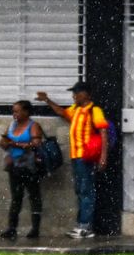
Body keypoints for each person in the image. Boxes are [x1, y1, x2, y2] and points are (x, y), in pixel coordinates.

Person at [36, 81, 109, 239]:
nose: (74, 95)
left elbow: (104, 132)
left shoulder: (94, 111)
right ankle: (81, 225)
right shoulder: (75, 110)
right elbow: (62, 113)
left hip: (86, 156)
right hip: (76, 157)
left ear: (87, 94)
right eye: (74, 92)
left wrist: (103, 157)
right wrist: (47, 100)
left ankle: (85, 227)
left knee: (86, 190)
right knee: (80, 190)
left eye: (77, 92)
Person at [0, 100, 49, 241]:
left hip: (30, 167)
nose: (15, 114)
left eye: (17, 111)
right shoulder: (12, 125)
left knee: (34, 196)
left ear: (26, 112)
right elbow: (3, 142)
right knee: (16, 198)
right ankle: (12, 228)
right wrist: (5, 144)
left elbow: (35, 144)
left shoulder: (33, 126)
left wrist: (15, 144)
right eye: (13, 111)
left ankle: (35, 228)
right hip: (14, 166)